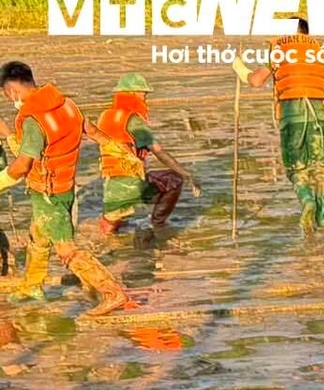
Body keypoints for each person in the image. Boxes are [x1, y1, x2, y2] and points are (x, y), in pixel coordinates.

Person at [0, 62, 130, 316]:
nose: (8, 99)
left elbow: (22, 165)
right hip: (65, 185)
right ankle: (32, 285)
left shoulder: (32, 120)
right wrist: (119, 150)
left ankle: (112, 292)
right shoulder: (67, 105)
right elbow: (92, 131)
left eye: (6, 94)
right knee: (38, 236)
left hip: (48, 192)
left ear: (12, 91)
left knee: (66, 249)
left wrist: (2, 178)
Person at [236, 17, 324, 236]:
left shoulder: (279, 50)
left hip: (291, 116)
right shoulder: (320, 52)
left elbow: (256, 81)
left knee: (296, 168)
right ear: (306, 33)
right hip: (319, 117)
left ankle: (307, 200)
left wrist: (240, 69)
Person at [93, 73, 198, 236]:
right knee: (174, 180)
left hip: (110, 181)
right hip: (131, 181)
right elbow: (158, 151)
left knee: (112, 219)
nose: (145, 99)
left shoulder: (105, 116)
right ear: (132, 94)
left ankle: (107, 232)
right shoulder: (133, 120)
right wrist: (186, 173)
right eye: (143, 94)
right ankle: (158, 224)